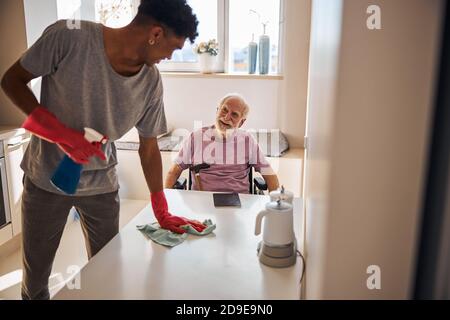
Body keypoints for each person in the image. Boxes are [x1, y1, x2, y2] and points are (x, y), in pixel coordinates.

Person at [0, 0, 206, 300]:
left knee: (108, 275)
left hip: (102, 189)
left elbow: (148, 147)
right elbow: (12, 80)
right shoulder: (69, 37)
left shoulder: (150, 82)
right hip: (46, 182)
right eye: (173, 48)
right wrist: (60, 135)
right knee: (35, 284)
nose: (170, 56)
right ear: (156, 34)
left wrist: (161, 208)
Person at [165, 94, 280, 193]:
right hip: (202, 202)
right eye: (224, 110)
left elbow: (270, 175)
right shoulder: (196, 137)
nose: (226, 117)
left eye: (234, 114)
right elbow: (173, 172)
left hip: (239, 203)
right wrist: (166, 204)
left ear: (241, 122)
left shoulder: (247, 140)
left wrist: (275, 206)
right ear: (217, 110)